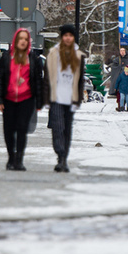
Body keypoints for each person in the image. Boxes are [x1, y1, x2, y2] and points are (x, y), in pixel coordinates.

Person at [0, 28, 44, 171]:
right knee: (8, 130)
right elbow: (0, 78)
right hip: (8, 99)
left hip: (26, 99)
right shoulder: (6, 57)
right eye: (20, 38)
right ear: (15, 40)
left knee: (22, 129)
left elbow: (38, 81)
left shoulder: (33, 58)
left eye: (25, 39)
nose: (23, 41)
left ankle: (19, 160)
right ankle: (11, 157)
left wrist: (39, 102)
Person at [44, 24, 85, 173]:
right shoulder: (53, 54)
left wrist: (78, 100)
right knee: (57, 128)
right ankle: (60, 154)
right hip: (56, 97)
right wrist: (46, 99)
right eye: (65, 35)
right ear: (62, 37)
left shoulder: (79, 56)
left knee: (67, 129)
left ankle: (63, 160)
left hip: (70, 97)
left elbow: (80, 80)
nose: (68, 38)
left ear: (73, 38)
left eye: (70, 35)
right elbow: (47, 77)